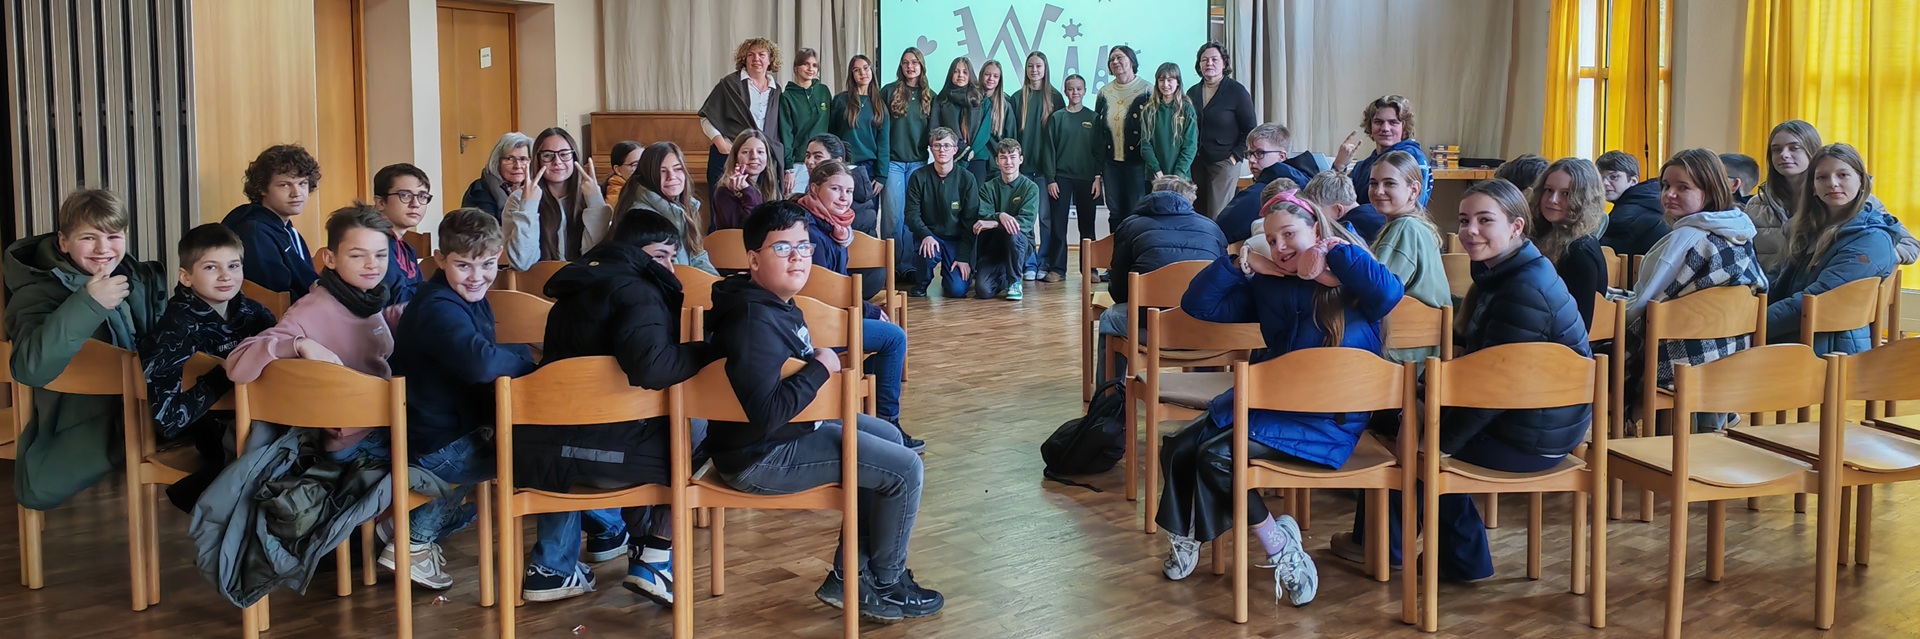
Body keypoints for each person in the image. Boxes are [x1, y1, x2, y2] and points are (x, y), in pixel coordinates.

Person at [1333, 178, 1590, 581]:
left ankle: (1401, 547)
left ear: (1516, 226)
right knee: (1396, 415)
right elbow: (1485, 375)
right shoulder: (1512, 272)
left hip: (1530, 435)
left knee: (1404, 432)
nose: (1470, 231)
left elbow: (1490, 392)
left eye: (1485, 220)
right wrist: (1419, 398)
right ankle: (1428, 550)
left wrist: (1435, 444)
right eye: (1465, 220)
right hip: (1534, 421)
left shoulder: (1523, 290)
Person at [1158, 191, 1403, 607]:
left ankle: (1281, 548)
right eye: (1271, 240)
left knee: (1216, 457)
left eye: (1289, 234)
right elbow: (1199, 305)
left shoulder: (1356, 286)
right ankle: (1191, 532)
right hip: (1272, 407)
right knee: (1179, 447)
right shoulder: (1270, 287)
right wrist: (1241, 261)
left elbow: (1390, 292)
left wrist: (1331, 255)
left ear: (1316, 228)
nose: (1280, 247)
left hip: (1329, 421)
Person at [707, 202, 942, 622]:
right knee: (905, 469)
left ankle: (850, 575)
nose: (798, 257)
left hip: (786, 434)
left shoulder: (771, 301)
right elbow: (766, 412)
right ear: (753, 260)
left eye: (803, 246)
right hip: (762, 456)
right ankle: (884, 581)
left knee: (888, 439)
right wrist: (821, 368)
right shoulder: (752, 319)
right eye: (782, 249)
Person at [515, 209, 723, 605]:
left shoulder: (575, 289)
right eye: (661, 255)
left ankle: (557, 568)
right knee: (702, 432)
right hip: (607, 458)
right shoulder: (639, 291)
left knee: (639, 423)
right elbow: (654, 368)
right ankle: (654, 557)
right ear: (635, 252)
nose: (671, 269)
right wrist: (705, 352)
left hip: (543, 455)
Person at [388, 208, 537, 592]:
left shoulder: (464, 296)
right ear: (439, 259)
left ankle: (409, 524)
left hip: (442, 428)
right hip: (434, 441)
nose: (477, 277)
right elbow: (481, 361)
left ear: (500, 254)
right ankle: (413, 540)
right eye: (463, 266)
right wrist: (540, 374)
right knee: (532, 455)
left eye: (488, 264)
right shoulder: (438, 305)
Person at [5, 189, 168, 510]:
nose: (103, 249)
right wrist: (89, 304)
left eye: (113, 236)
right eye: (88, 238)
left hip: (144, 413)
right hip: (82, 428)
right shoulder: (36, 292)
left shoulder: (134, 278)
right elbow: (29, 368)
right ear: (63, 242)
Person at [227, 205, 405, 458]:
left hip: (380, 420)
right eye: (357, 256)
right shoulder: (312, 309)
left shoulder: (364, 298)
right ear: (330, 259)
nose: (371, 265)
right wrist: (299, 344)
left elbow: (365, 332)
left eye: (381, 255)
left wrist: (403, 315)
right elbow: (237, 363)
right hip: (354, 441)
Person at [1624, 149, 1767, 426]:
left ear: (1710, 189)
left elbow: (1644, 303)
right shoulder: (1741, 232)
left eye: (1683, 187)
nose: (1669, 194)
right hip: (1730, 357)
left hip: (1677, 363)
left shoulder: (1687, 237)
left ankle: (1625, 420)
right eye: (1665, 186)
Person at [140, 224, 276, 511]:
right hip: (210, 433)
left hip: (261, 419)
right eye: (212, 267)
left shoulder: (256, 313)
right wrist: (225, 375)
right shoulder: (175, 328)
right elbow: (167, 420)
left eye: (233, 265)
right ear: (186, 277)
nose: (226, 276)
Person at [794, 164, 922, 451]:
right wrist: (870, 309)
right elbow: (825, 290)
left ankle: (866, 408)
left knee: (889, 336)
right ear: (815, 189)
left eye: (849, 191)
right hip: (815, 321)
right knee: (894, 336)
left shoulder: (833, 225)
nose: (843, 197)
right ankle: (888, 422)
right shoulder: (812, 230)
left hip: (829, 314)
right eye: (836, 189)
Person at [1766, 143, 1897, 355]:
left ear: (1861, 181)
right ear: (1813, 187)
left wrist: (1751, 325)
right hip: (1795, 339)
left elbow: (1815, 300)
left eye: (1843, 175)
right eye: (1822, 177)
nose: (1832, 183)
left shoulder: (1872, 239)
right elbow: (1773, 278)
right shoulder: (1808, 229)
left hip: (1831, 351)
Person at [1095, 176, 1228, 381]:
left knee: (1109, 319)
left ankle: (1110, 399)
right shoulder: (1211, 227)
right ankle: (1206, 396)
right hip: (1204, 327)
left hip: (1150, 327)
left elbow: (1120, 289)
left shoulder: (1130, 224)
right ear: (1189, 200)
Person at [1746, 120, 1919, 270]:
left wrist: (1864, 259)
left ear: (1813, 151)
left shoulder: (1853, 201)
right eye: (1776, 150)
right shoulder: (1756, 205)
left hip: (1827, 296)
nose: (1784, 155)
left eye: (1794, 148)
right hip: (1768, 296)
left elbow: (1910, 245)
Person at [1368, 150, 1451, 363]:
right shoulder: (1419, 226)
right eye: (1373, 183)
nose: (1378, 191)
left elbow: (1375, 291)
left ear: (1414, 190)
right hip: (1422, 352)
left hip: (1405, 355)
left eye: (1389, 184)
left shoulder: (1405, 228)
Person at [501, 127, 613, 271]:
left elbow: (597, 258)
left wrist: (595, 202)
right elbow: (522, 262)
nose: (557, 162)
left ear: (574, 158)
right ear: (537, 159)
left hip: (582, 283)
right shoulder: (518, 198)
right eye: (548, 155)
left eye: (564, 154)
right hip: (537, 286)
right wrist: (528, 206)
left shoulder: (590, 196)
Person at [222, 144, 322, 300]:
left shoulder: (284, 226)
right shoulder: (254, 232)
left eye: (302, 183)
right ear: (262, 188)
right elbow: (274, 298)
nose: (296, 193)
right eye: (284, 185)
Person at [1038, 74, 1108, 282]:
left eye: (1079, 89)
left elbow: (1098, 151)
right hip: (1061, 178)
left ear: (1085, 91)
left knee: (1088, 225)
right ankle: (1057, 269)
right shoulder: (1057, 118)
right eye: (1071, 89)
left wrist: (1098, 177)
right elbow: (1048, 150)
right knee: (1058, 225)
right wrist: (1051, 179)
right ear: (1066, 91)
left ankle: (1090, 269)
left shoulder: (1093, 118)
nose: (1075, 92)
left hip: (1087, 179)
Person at [612, 141, 717, 275]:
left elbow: (697, 254)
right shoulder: (642, 217)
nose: (671, 176)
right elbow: (669, 273)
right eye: (662, 171)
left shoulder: (684, 206)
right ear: (649, 175)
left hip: (693, 284)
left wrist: (714, 284)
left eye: (677, 169)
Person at [1526, 158, 1609, 326]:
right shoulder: (1545, 234)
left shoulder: (1579, 250)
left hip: (1562, 347)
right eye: (1548, 190)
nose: (1553, 199)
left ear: (1584, 200)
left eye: (1566, 193)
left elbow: (1577, 324)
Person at [699, 38, 783, 200]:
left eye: (761, 54)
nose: (756, 59)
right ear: (744, 59)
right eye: (750, 55)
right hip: (728, 155)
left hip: (760, 159)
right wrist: (722, 144)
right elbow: (706, 117)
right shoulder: (730, 84)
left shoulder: (776, 90)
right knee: (725, 209)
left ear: (770, 59)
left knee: (760, 206)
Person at [904, 127, 982, 298]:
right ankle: (922, 282)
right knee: (927, 251)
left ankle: (952, 278)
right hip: (930, 237)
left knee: (957, 290)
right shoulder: (918, 177)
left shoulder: (967, 179)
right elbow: (911, 214)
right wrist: (925, 235)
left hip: (956, 240)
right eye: (937, 146)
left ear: (955, 150)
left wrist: (963, 257)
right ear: (931, 149)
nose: (942, 150)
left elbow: (971, 222)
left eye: (947, 146)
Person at [880, 47, 936, 277]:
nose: (910, 66)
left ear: (921, 66)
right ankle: (890, 268)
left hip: (919, 163)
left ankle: (908, 266)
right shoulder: (889, 91)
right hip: (893, 162)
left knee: (911, 217)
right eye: (905, 62)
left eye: (914, 62)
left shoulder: (929, 95)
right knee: (893, 218)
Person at [1188, 42, 1257, 219]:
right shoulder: (1192, 92)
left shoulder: (1236, 91)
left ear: (1224, 63)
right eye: (1204, 60)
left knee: (1218, 215)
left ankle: (1219, 247)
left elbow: (1250, 128)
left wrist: (1235, 157)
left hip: (1224, 162)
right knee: (1197, 213)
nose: (1209, 63)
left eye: (1214, 59)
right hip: (1197, 162)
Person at [1010, 52, 1063, 280]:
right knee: (1026, 219)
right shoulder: (1016, 97)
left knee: (1046, 218)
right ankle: (1029, 263)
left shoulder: (1056, 97)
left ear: (1045, 68)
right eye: (1030, 66)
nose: (1034, 70)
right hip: (1023, 170)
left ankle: (1045, 262)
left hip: (1045, 170)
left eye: (1038, 66)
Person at [1215, 123, 1311, 245]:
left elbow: (1220, 231)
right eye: (1249, 154)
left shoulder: (1255, 195)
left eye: (1260, 153)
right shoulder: (1308, 183)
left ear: (1281, 156)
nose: (1251, 160)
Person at [1335, 95, 1432, 208]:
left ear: (1404, 127)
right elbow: (1334, 200)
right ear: (1370, 126)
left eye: (1393, 122)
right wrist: (1339, 166)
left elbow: (1407, 210)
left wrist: (1355, 211)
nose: (1385, 128)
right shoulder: (1364, 165)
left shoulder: (1412, 159)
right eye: (1378, 122)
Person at [974, 139, 1040, 300]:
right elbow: (983, 216)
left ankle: (1015, 281)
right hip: (993, 246)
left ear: (1020, 160)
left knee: (1013, 232)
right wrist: (1001, 216)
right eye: (1003, 157)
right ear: (997, 161)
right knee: (983, 291)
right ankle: (1005, 274)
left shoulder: (1030, 188)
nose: (1008, 161)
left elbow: (1025, 222)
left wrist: (997, 220)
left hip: (1019, 243)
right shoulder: (987, 188)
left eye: (1012, 156)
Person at [1096, 45, 1152, 228]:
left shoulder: (1147, 90)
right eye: (1112, 59)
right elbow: (1099, 129)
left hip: (1138, 162)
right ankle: (1116, 253)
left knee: (1136, 210)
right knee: (1115, 211)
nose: (1115, 62)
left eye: (1120, 57)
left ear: (1132, 61)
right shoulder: (1104, 92)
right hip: (1111, 163)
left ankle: (1135, 253)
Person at [801, 133, 883, 242]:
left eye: (818, 156)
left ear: (837, 161)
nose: (809, 162)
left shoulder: (849, 202)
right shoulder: (814, 189)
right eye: (807, 155)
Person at [371, 163, 431, 306]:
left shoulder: (407, 249)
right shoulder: (373, 244)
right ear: (380, 202)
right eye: (405, 195)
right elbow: (394, 299)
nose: (415, 204)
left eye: (422, 196)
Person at [829, 54, 890, 186]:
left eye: (866, 68)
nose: (863, 73)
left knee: (867, 207)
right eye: (857, 70)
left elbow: (883, 143)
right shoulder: (840, 101)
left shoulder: (879, 105)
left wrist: (881, 176)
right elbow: (831, 135)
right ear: (852, 75)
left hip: (869, 168)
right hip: (843, 165)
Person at [779, 48, 833, 194]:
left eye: (815, 65)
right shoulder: (787, 97)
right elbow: (786, 134)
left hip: (823, 161)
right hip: (798, 162)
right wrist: (788, 168)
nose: (810, 69)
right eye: (806, 64)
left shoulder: (823, 91)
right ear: (796, 68)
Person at [1597, 149, 1667, 256]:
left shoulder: (1623, 215)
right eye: (1600, 178)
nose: (1604, 183)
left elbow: (1604, 256)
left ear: (1633, 181)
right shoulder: (1656, 197)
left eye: (1613, 177)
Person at [1139, 62, 1199, 186]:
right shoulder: (1149, 110)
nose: (1165, 84)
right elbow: (1145, 145)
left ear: (1178, 82)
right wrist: (1157, 170)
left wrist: (1177, 175)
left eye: (1170, 80)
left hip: (1180, 179)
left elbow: (1190, 146)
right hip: (1156, 177)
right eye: (1161, 80)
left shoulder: (1187, 109)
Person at [708, 129, 780, 231]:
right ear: (736, 157)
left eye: (760, 152)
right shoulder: (724, 191)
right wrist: (748, 191)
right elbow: (751, 230)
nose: (754, 156)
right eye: (746, 152)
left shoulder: (769, 186)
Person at [461, 132, 534, 219]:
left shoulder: (533, 188)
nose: (517, 166)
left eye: (523, 159)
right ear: (497, 162)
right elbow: (484, 231)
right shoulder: (479, 192)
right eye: (509, 159)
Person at [934, 57, 985, 181]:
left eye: (965, 72)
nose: (960, 75)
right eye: (956, 71)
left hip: (977, 157)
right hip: (950, 157)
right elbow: (934, 129)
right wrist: (962, 149)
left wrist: (971, 151)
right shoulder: (941, 99)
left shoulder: (980, 99)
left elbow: (984, 130)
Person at [971, 60, 1017, 187]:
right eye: (987, 74)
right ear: (981, 75)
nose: (991, 78)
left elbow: (1011, 137)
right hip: (974, 161)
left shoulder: (1005, 105)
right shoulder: (971, 100)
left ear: (1000, 80)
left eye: (995, 76)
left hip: (996, 165)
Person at [604, 140, 643, 205]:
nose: (642, 169)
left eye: (645, 163)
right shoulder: (616, 195)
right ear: (618, 170)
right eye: (635, 165)